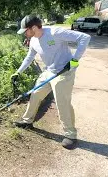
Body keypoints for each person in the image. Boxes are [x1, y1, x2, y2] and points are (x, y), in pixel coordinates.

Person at [11, 15, 91, 150]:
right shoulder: (34, 40)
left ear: (34, 28)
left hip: (64, 72)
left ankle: (70, 135)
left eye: (26, 30)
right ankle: (27, 121)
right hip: (49, 71)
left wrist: (74, 60)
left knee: (62, 102)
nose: (25, 33)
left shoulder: (55, 33)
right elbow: (29, 57)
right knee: (35, 94)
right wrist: (18, 72)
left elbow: (85, 38)